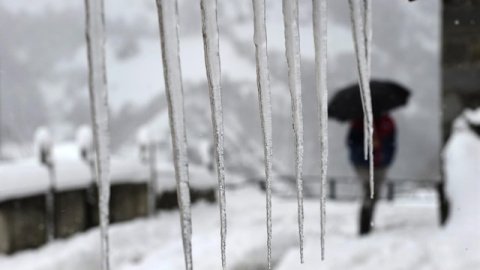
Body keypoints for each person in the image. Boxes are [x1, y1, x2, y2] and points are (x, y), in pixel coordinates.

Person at [347, 114, 397, 235]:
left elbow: (391, 144)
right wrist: (368, 145)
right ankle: (364, 224)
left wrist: (382, 149)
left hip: (380, 164)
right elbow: (352, 144)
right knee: (369, 191)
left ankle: (368, 221)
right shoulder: (359, 123)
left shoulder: (388, 123)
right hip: (363, 164)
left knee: (375, 193)